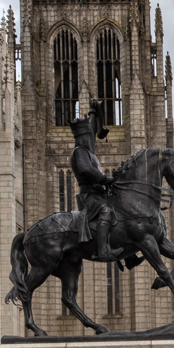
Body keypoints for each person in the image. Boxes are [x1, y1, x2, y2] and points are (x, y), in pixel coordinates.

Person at [69, 105, 123, 262]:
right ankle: (103, 251)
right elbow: (86, 170)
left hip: (99, 193)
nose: (91, 139)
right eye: (89, 136)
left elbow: (94, 125)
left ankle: (129, 256)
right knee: (106, 211)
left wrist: (95, 110)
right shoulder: (79, 151)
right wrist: (105, 179)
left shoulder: (88, 152)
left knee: (122, 215)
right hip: (89, 196)